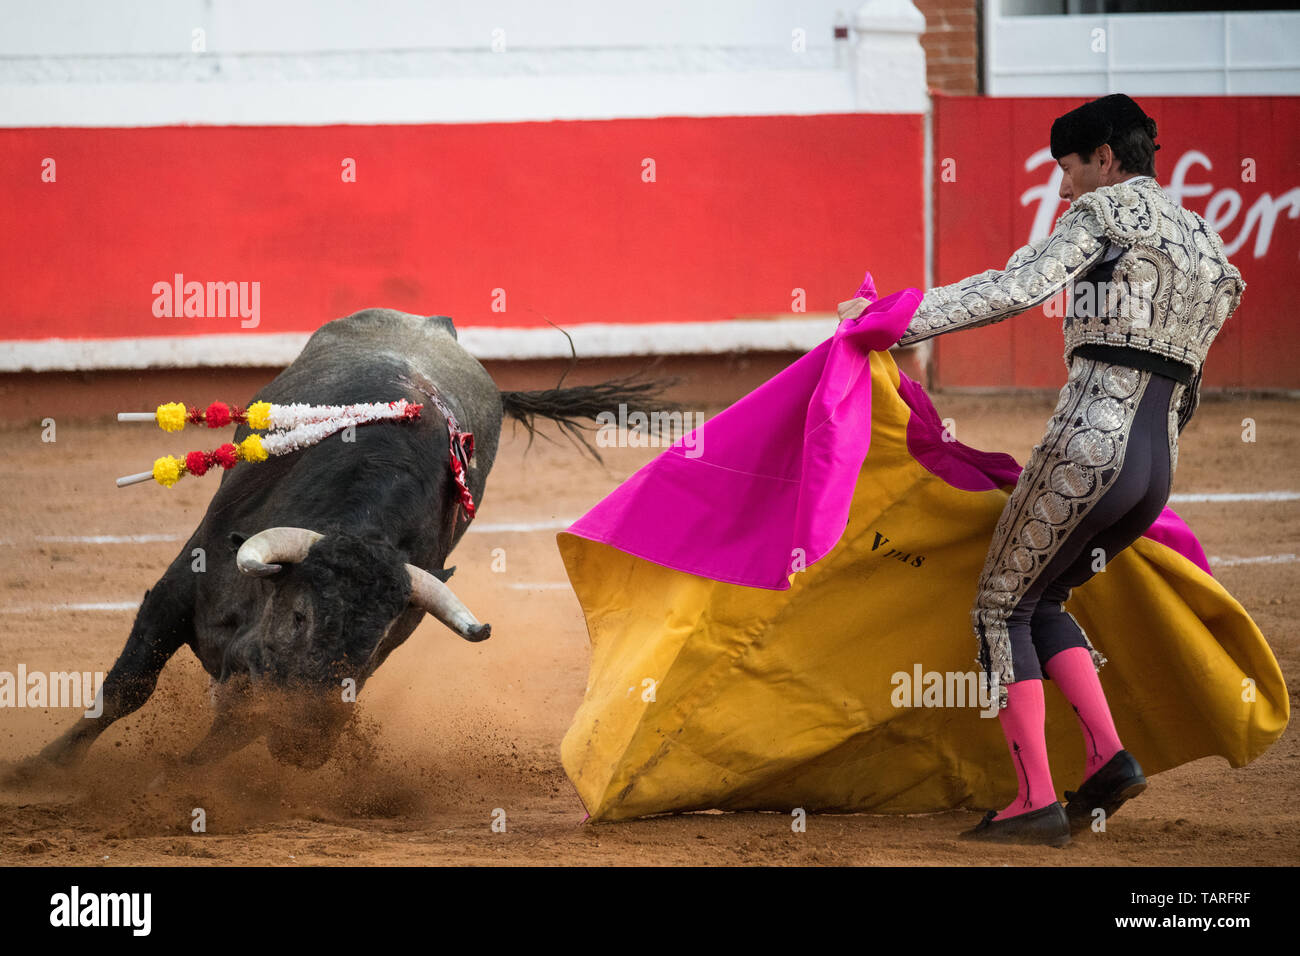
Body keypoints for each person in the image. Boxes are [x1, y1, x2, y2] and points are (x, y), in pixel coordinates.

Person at [837, 94, 1245, 846]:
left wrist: (892, 319)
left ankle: (1033, 800)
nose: (1063, 190)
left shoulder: (1101, 216)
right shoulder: (1209, 247)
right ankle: (1107, 757)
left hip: (1089, 445)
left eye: (1069, 169)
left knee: (1000, 606)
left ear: (1105, 159)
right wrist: (1145, 471)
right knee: (1043, 596)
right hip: (1156, 466)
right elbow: (1189, 388)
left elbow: (1013, 289)